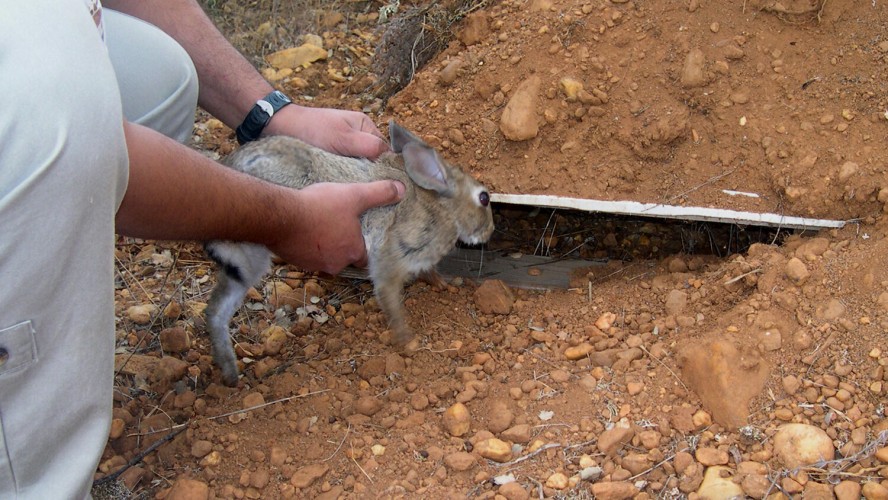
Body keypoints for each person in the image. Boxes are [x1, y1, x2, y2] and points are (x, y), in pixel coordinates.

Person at [0, 0, 404, 497]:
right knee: (54, 108)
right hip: (30, 104)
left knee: (163, 78)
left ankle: (53, 250)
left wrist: (271, 114)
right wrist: (290, 221)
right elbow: (78, 142)